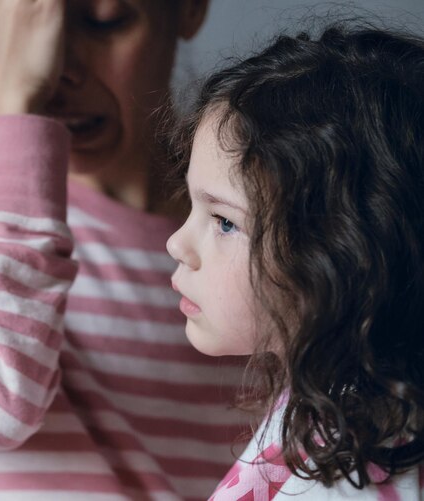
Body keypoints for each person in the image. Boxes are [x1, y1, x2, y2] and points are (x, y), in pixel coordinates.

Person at [0, 1, 252, 499]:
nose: (56, 72)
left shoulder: (265, 235)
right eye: (26, 32)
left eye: (103, 22)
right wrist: (6, 95)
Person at [166, 23, 424, 499]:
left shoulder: (361, 472)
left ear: (342, 256)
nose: (176, 243)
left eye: (224, 221)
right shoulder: (328, 414)